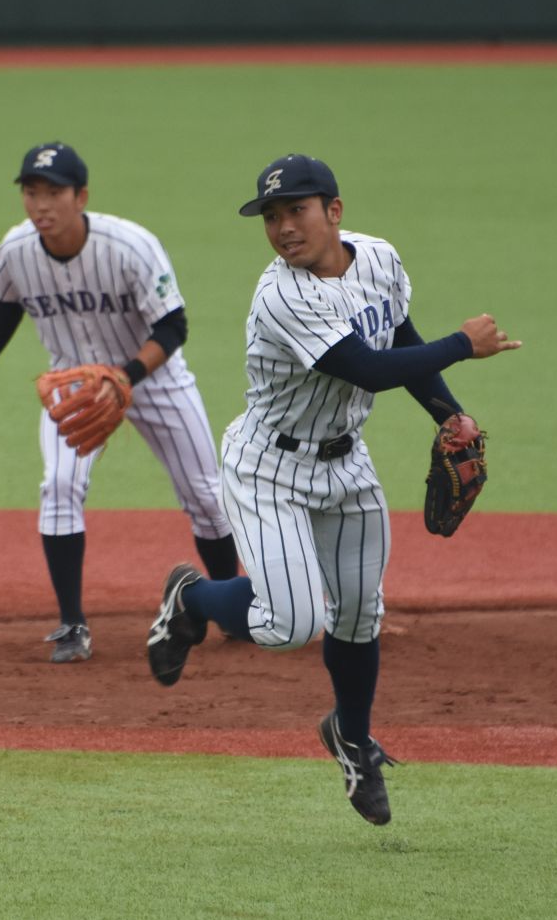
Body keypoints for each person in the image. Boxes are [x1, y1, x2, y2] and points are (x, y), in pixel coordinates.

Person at [146, 153, 521, 824]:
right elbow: (368, 368)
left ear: (334, 211)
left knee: (357, 614)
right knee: (288, 624)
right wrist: (462, 343)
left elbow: (397, 334)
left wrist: (449, 414)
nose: (284, 227)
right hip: (269, 467)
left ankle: (351, 736)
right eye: (271, 217)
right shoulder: (283, 294)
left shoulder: (378, 258)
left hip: (347, 465)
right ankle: (192, 597)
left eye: (297, 210)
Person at [0, 141, 241, 663]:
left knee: (206, 497)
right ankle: (71, 624)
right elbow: (7, 306)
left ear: (81, 197)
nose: (41, 205)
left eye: (53, 193)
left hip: (154, 379)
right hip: (73, 384)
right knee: (59, 486)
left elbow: (173, 326)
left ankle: (233, 609)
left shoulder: (130, 246)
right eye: (31, 192)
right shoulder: (16, 249)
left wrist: (124, 377)